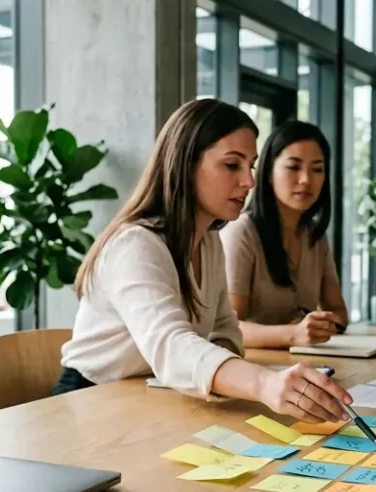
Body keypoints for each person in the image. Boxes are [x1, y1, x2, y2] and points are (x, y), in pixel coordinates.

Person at [53, 99, 353, 424]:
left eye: (250, 166)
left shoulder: (208, 240)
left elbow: (226, 330)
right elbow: (172, 346)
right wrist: (264, 383)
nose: (249, 181)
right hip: (89, 403)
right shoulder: (136, 244)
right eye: (231, 165)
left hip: (153, 397)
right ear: (186, 164)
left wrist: (221, 360)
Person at [222, 121, 348, 349]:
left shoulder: (315, 235)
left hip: (305, 361)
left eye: (317, 169)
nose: (306, 180)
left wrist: (317, 325)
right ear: (268, 172)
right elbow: (227, 327)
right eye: (293, 167)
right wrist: (292, 333)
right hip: (254, 365)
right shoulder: (242, 232)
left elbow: (339, 313)